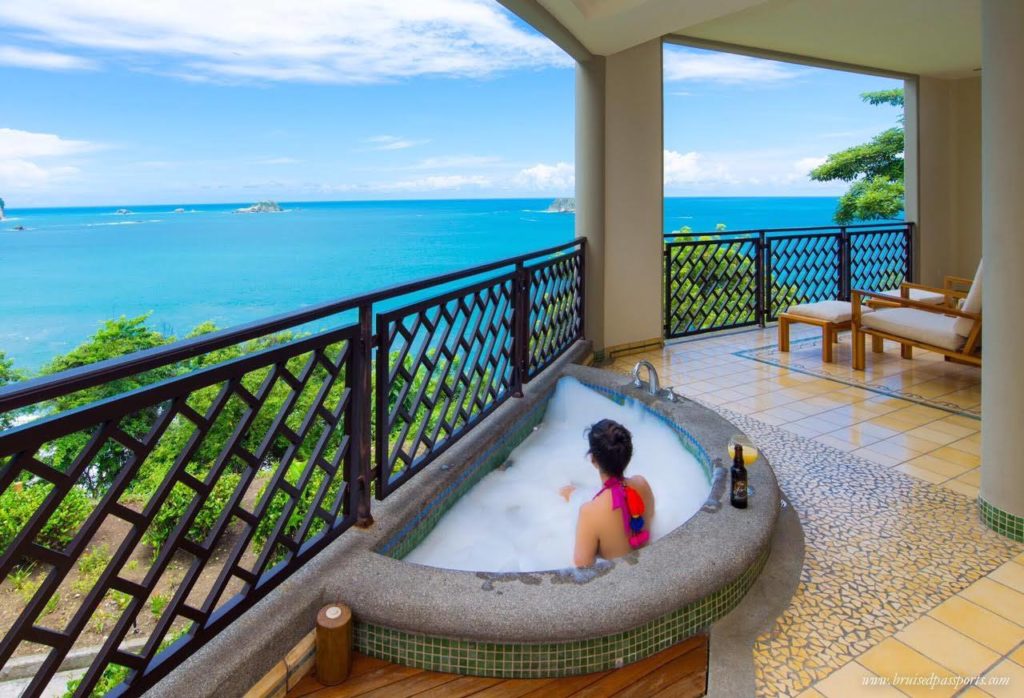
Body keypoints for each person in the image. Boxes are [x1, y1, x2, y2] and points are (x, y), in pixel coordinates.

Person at [573, 419, 655, 567]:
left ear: (593, 459)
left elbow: (582, 566)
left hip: (618, 581)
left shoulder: (589, 512)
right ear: (628, 456)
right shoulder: (642, 484)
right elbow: (650, 518)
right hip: (647, 564)